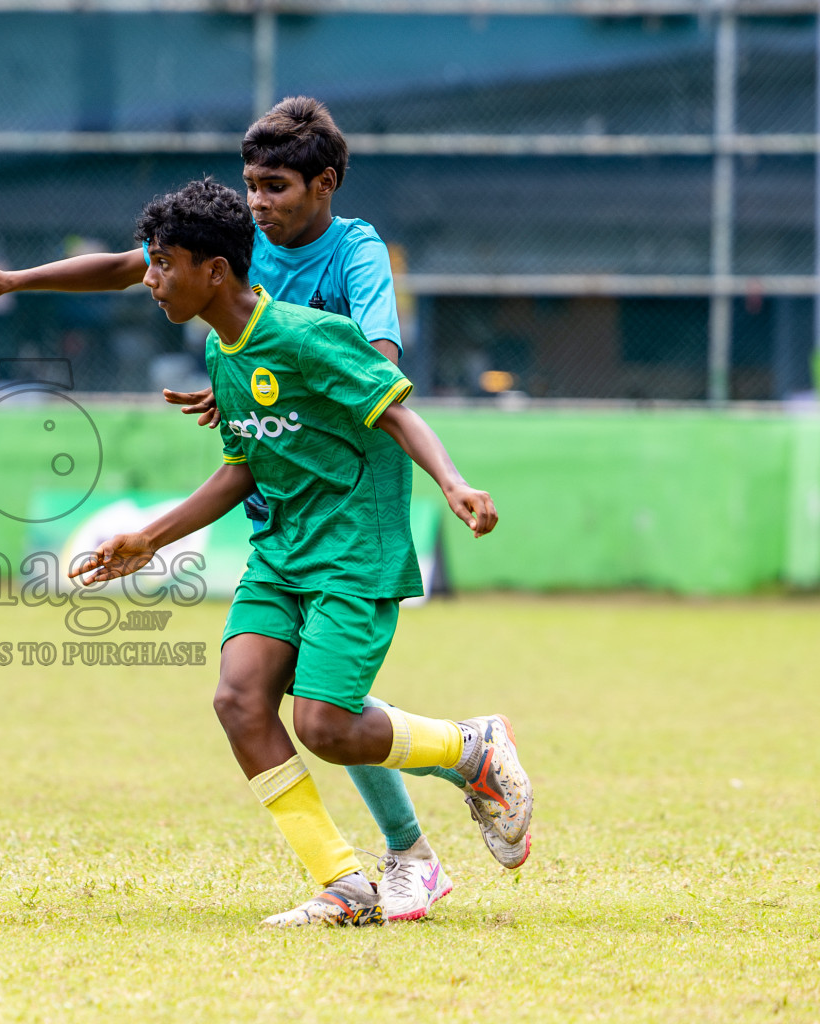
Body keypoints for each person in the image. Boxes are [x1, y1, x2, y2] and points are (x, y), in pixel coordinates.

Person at [0, 98, 527, 922]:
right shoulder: (220, 309)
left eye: (275, 186)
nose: (260, 202)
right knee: (251, 701)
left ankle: (455, 778)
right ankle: (359, 878)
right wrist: (16, 283)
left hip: (354, 507)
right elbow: (135, 272)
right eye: (251, 186)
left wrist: (314, 400)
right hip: (284, 515)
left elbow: (378, 373)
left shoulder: (351, 258)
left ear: (324, 184)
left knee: (328, 715)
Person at [69, 179, 531, 926]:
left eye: (162, 263)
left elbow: (398, 413)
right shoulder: (223, 354)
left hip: (353, 549)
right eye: (149, 263)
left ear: (214, 270)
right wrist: (148, 539)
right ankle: (344, 884)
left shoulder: (310, 336)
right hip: (280, 551)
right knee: (238, 700)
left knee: (325, 727)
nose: (148, 280)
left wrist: (453, 483)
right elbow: (242, 465)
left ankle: (469, 748)